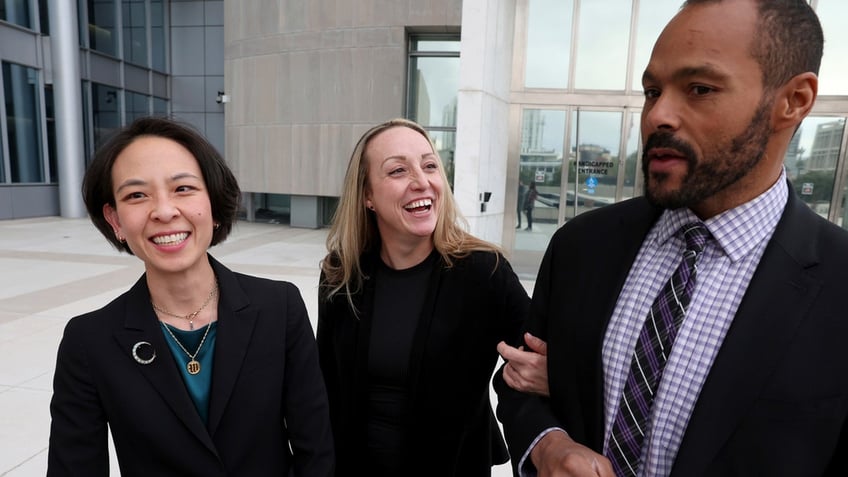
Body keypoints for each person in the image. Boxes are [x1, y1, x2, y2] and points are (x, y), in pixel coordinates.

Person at [495, 0, 848, 476]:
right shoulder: (582, 247)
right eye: (651, 90)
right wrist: (549, 446)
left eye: (699, 88)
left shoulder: (838, 285)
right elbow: (518, 384)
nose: (658, 115)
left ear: (794, 100)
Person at [47, 117, 334, 476]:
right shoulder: (89, 341)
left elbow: (316, 451)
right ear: (115, 220)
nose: (164, 211)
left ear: (213, 202)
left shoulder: (279, 307)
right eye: (136, 195)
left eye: (183, 188)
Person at [317, 117, 531, 476]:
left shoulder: (484, 271)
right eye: (398, 170)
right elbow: (324, 384)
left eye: (430, 165)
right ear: (367, 195)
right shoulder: (341, 275)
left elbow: (536, 363)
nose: (422, 182)